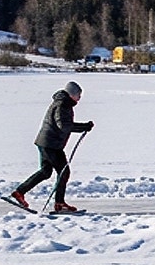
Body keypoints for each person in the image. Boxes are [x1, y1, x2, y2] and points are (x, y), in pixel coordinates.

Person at [7, 80, 94, 213]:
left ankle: (19, 193)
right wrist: (84, 127)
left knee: (46, 172)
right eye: (78, 94)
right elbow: (63, 126)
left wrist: (83, 127)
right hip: (51, 144)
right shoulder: (62, 104)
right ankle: (59, 203)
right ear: (72, 94)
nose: (79, 98)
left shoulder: (62, 102)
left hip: (46, 142)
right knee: (64, 172)